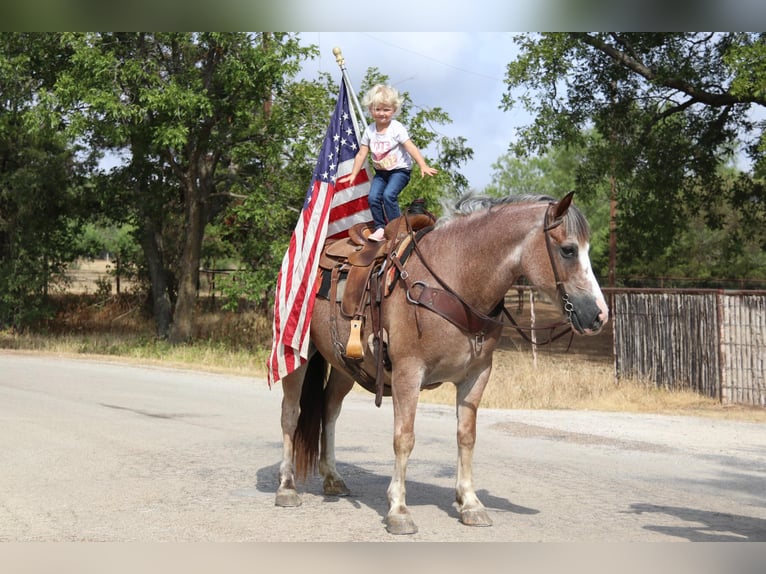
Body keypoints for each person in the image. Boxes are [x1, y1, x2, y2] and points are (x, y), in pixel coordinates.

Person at [347, 84, 438, 242]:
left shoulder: (396, 128)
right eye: (378, 109)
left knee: (389, 195)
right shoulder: (369, 130)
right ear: (370, 109)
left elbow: (410, 146)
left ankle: (397, 227)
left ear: (394, 110)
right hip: (381, 173)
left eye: (386, 110)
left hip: (399, 171)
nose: (382, 114)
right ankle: (381, 227)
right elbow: (362, 153)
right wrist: (354, 173)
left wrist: (423, 165)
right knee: (373, 197)